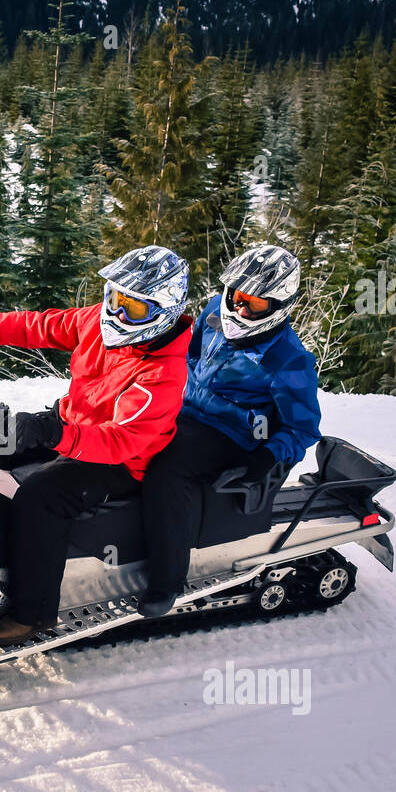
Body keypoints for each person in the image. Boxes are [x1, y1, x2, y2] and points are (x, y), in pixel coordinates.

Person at [0, 246, 193, 648]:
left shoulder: (162, 373)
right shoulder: (96, 323)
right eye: (116, 299)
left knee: (40, 496)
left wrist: (53, 435)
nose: (118, 315)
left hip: (119, 461)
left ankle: (31, 614)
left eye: (134, 310)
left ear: (165, 312)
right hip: (71, 425)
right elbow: (37, 326)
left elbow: (121, 441)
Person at [137, 244, 322, 618]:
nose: (240, 309)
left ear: (278, 306)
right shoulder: (211, 312)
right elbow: (187, 352)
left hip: (231, 435)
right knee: (125, 437)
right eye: (237, 297)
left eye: (254, 304)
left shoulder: (289, 359)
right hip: (184, 407)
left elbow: (303, 427)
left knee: (168, 470)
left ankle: (167, 580)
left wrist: (269, 455)